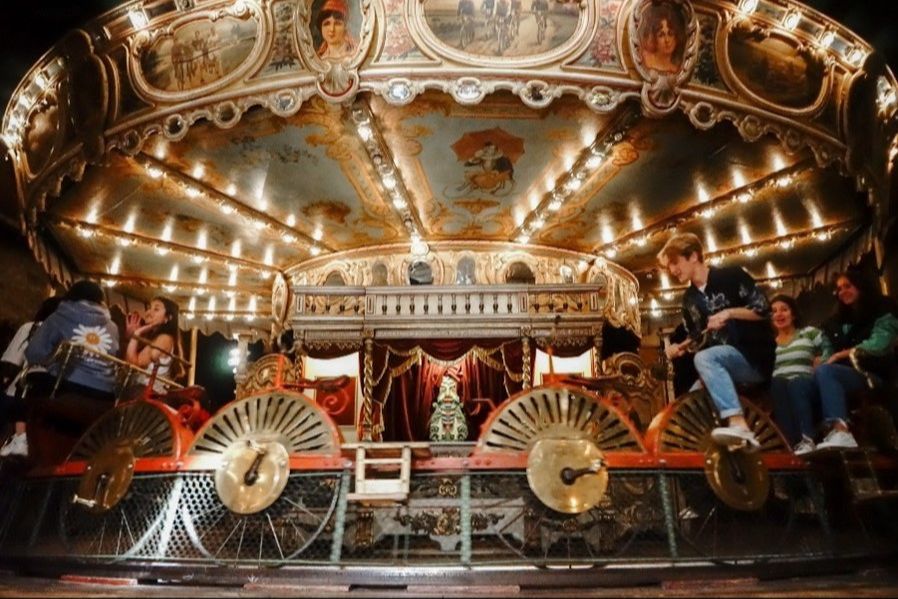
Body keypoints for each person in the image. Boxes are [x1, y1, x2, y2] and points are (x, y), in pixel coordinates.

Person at [659, 232, 776, 450]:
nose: (672, 270)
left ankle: (739, 424)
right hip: (720, 362)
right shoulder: (689, 299)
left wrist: (730, 313)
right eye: (669, 267)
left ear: (693, 256)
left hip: (753, 358)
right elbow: (698, 338)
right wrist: (681, 348)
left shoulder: (732, 275)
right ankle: (736, 449)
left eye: (675, 262)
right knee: (688, 407)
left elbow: (763, 310)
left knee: (705, 358)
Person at [812, 270, 898, 450]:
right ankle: (806, 440)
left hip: (873, 372)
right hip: (844, 373)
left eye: (847, 286)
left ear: (860, 286)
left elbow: (880, 343)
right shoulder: (835, 321)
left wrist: (841, 355)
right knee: (804, 382)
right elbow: (828, 352)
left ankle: (841, 431)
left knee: (827, 372)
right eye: (839, 289)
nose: (843, 292)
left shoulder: (882, 308)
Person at [0, 296, 63, 458]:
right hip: (51, 398)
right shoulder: (66, 335)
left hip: (21, 393)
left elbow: (11, 361)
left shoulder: (31, 328)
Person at [769, 294, 823, 455]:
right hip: (781, 388)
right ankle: (791, 444)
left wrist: (820, 363)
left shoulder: (809, 333)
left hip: (807, 383)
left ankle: (807, 439)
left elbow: (827, 350)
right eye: (774, 311)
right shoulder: (770, 344)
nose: (779, 314)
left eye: (784, 310)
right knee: (777, 384)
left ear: (793, 314)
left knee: (796, 384)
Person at [125, 296, 185, 392]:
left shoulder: (164, 339)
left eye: (156, 309)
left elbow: (133, 364)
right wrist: (132, 337)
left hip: (146, 394)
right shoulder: (157, 338)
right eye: (149, 308)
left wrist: (136, 334)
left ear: (167, 318)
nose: (149, 312)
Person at [638, 2, 685, 74]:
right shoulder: (645, 58)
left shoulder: (675, 69)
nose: (667, 40)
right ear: (654, 39)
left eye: (670, 34)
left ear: (676, 37)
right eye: (661, 35)